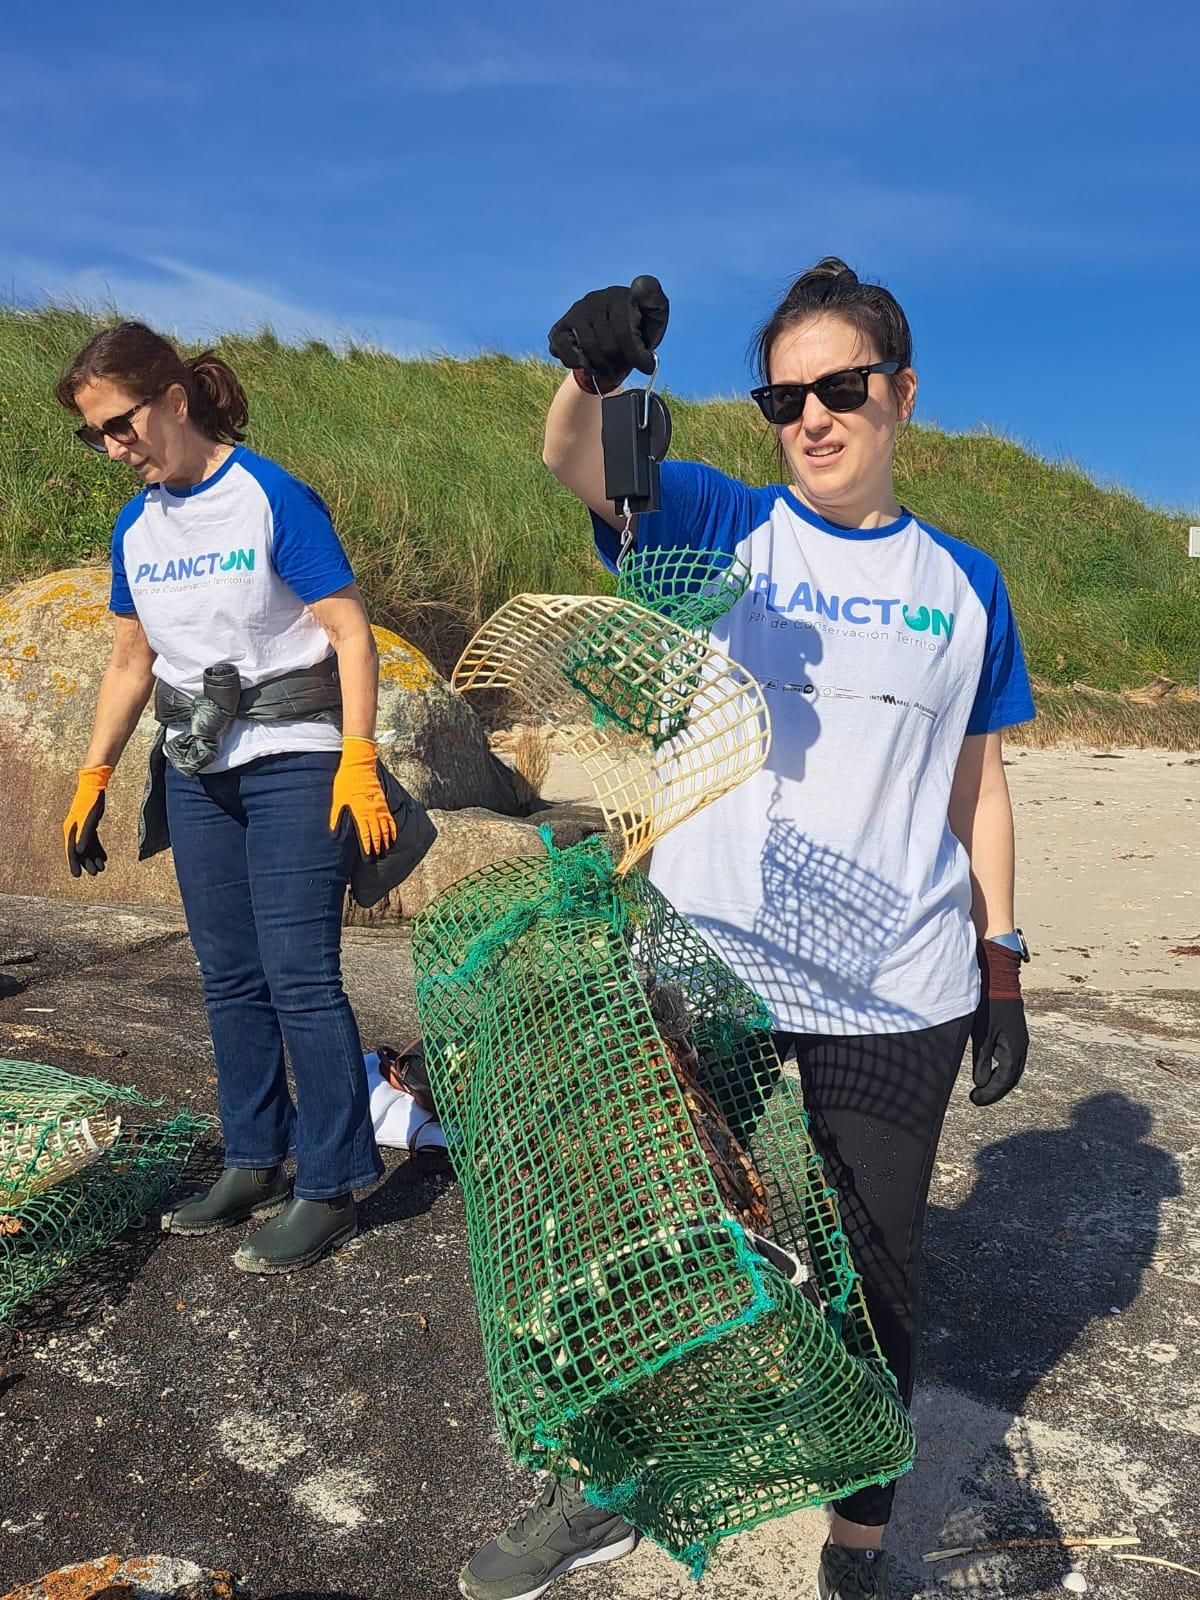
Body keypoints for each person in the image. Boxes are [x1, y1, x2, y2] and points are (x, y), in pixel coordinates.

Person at [459, 261, 1035, 1600]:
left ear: (900, 395)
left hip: (899, 990)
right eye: (786, 396)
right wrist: (591, 379)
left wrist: (1002, 957)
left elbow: (979, 779)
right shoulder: (720, 527)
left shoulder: (965, 581)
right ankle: (606, 1490)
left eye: (843, 388)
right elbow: (579, 465)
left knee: (874, 1282)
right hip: (711, 965)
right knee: (657, 1245)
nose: (814, 417)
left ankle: (858, 1537)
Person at [57, 322, 400, 1274]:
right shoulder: (138, 525)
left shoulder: (268, 495)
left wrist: (357, 759)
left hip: (294, 759)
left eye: (120, 425)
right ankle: (255, 1157)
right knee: (228, 977)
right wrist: (95, 774)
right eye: (96, 437)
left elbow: (349, 633)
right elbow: (132, 661)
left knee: (301, 977)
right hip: (196, 769)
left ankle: (331, 1182)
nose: (114, 449)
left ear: (173, 398)